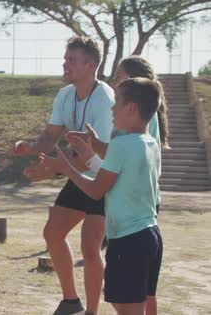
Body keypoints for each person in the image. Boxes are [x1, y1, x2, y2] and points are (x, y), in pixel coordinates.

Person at [40, 78, 163, 315]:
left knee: (127, 307)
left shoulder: (120, 145)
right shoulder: (149, 143)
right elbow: (121, 169)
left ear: (131, 108)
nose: (112, 108)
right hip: (151, 236)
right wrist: (93, 148)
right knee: (138, 303)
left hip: (128, 241)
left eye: (117, 102)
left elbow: (97, 189)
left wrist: (66, 168)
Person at [11, 36, 115, 315]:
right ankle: (71, 301)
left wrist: (51, 169)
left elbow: (95, 155)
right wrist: (31, 148)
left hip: (104, 178)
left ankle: (92, 312)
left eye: (71, 59)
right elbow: (50, 135)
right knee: (53, 233)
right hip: (80, 173)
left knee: (90, 247)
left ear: (90, 64)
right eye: (65, 58)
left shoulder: (104, 99)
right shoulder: (65, 95)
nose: (64, 63)